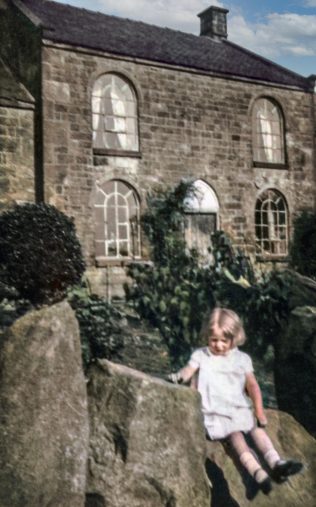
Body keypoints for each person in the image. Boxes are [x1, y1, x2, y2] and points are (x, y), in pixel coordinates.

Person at [169, 307, 302, 494]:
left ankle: (276, 463)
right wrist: (178, 377)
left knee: (256, 430)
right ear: (207, 337)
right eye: (214, 340)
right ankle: (256, 473)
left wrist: (260, 412)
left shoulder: (241, 359)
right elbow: (187, 371)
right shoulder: (201, 356)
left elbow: (253, 386)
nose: (219, 345)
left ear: (234, 338)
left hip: (238, 408)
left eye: (225, 341)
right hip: (214, 412)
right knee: (235, 437)